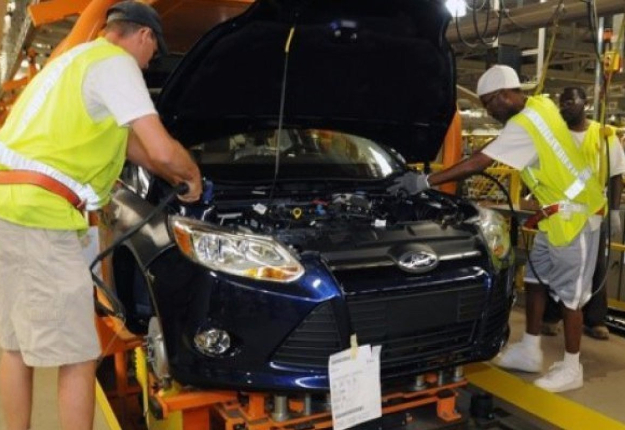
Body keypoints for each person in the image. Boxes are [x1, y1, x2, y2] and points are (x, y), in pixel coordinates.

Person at [0, 2, 202, 429]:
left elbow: (135, 148)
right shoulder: (116, 63)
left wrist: (169, 169)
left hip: (8, 208)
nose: (148, 67)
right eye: (152, 56)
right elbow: (163, 149)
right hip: (41, 217)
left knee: (14, 346)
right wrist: (192, 175)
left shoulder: (70, 62)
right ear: (143, 37)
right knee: (78, 356)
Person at [389, 65, 605, 393]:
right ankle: (530, 350)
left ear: (506, 94)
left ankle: (572, 366)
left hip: (577, 217)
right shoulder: (540, 105)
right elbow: (500, 143)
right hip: (553, 217)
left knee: (569, 298)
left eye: (490, 104)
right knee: (535, 280)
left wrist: (425, 181)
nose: (489, 112)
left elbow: (481, 161)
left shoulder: (524, 122)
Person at [541, 87, 625, 341]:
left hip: (593, 212)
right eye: (561, 102)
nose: (564, 106)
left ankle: (595, 320)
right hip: (561, 212)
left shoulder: (603, 135)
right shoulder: (554, 136)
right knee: (560, 263)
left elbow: (615, 174)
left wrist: (615, 211)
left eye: (570, 102)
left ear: (585, 104)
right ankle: (551, 315)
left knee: (595, 267)